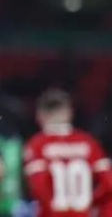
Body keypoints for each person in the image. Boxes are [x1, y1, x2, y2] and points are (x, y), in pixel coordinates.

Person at [23, 89, 112, 217]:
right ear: (69, 113)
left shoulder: (37, 144)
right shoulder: (88, 142)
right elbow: (109, 183)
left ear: (40, 115)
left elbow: (38, 186)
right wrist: (92, 201)